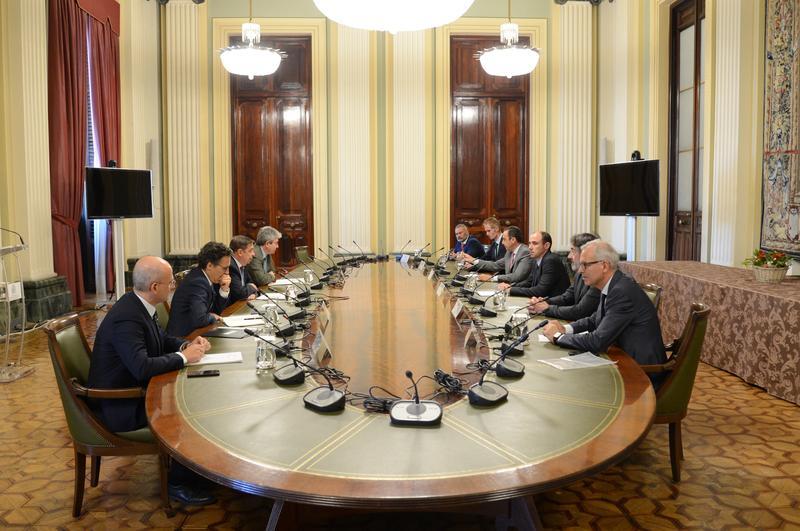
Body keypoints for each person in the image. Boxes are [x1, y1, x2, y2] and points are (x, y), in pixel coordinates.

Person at [87, 256, 215, 505]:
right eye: (171, 282)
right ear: (155, 287)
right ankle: (177, 483)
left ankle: (194, 471)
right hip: (120, 406)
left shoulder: (139, 304)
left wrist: (186, 345)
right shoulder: (127, 316)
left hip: (136, 392)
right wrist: (184, 358)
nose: (173, 286)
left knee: (194, 399)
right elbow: (142, 367)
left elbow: (161, 339)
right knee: (185, 411)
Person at [542, 240, 667, 379]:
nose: (580, 270)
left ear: (604, 266)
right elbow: (595, 319)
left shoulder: (621, 291)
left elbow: (597, 341)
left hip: (640, 371)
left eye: (585, 265)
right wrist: (565, 329)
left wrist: (558, 337)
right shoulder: (613, 284)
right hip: (621, 358)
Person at [166, 241, 232, 338]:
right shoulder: (197, 283)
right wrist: (212, 316)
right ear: (209, 266)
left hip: (197, 333)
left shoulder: (204, 277)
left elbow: (215, 311)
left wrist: (224, 290)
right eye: (225, 268)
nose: (227, 273)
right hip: (184, 338)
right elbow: (200, 319)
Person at [529, 232, 601, 321]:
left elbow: (580, 311)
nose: (569, 256)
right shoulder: (579, 273)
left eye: (573, 251)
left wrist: (547, 308)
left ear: (586, 253)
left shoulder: (598, 278)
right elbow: (567, 297)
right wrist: (543, 302)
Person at [499, 231, 570, 298]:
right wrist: (510, 286)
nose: (530, 247)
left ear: (546, 245)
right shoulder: (536, 259)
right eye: (529, 243)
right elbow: (529, 282)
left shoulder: (550, 260)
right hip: (540, 301)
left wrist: (511, 290)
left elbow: (540, 291)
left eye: (535, 243)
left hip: (554, 303)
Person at [463, 226, 533, 284]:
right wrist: (474, 260)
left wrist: (491, 278)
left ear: (513, 240)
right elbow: (495, 265)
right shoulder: (509, 252)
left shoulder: (525, 252)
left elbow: (516, 276)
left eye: (504, 239)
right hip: (507, 287)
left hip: (520, 290)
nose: (502, 243)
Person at [228, 235, 258, 302]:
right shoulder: (230, 266)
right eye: (250, 251)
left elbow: (251, 283)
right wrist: (251, 288)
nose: (253, 254)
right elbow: (240, 293)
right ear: (240, 252)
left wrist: (253, 293)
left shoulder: (243, 264)